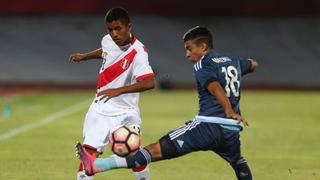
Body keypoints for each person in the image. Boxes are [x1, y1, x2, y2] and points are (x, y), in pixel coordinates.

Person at [75, 26, 258, 180]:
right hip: (231, 130)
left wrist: (228, 110)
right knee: (237, 161)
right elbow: (253, 64)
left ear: (203, 47)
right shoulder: (233, 61)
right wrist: (241, 70)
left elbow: (215, 87)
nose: (187, 54)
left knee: (151, 152)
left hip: (207, 126)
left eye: (189, 48)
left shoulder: (203, 64)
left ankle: (97, 165)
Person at [69, 7, 155, 180]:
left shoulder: (138, 52)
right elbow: (105, 51)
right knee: (89, 154)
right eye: (110, 29)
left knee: (134, 154)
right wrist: (84, 57)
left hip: (126, 112)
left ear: (129, 27)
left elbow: (149, 82)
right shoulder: (107, 40)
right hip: (100, 108)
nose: (114, 34)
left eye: (118, 29)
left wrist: (118, 91)